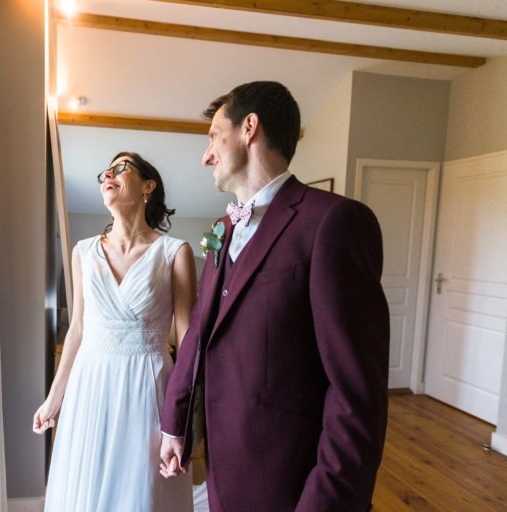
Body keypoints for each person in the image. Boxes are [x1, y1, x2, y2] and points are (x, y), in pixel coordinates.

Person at [159, 81, 390, 511]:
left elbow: (356, 392)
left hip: (291, 480)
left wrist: (326, 502)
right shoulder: (222, 230)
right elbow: (200, 333)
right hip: (223, 470)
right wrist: (177, 425)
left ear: (249, 127)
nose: (206, 155)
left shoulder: (334, 222)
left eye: (213, 136)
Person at [33, 152, 196, 511]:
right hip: (91, 384)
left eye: (122, 168)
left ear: (148, 186)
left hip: (148, 384)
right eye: (105, 171)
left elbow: (187, 342)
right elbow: (77, 329)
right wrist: (54, 398)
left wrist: (183, 418)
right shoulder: (83, 252)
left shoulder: (175, 252)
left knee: (139, 490)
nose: (108, 173)